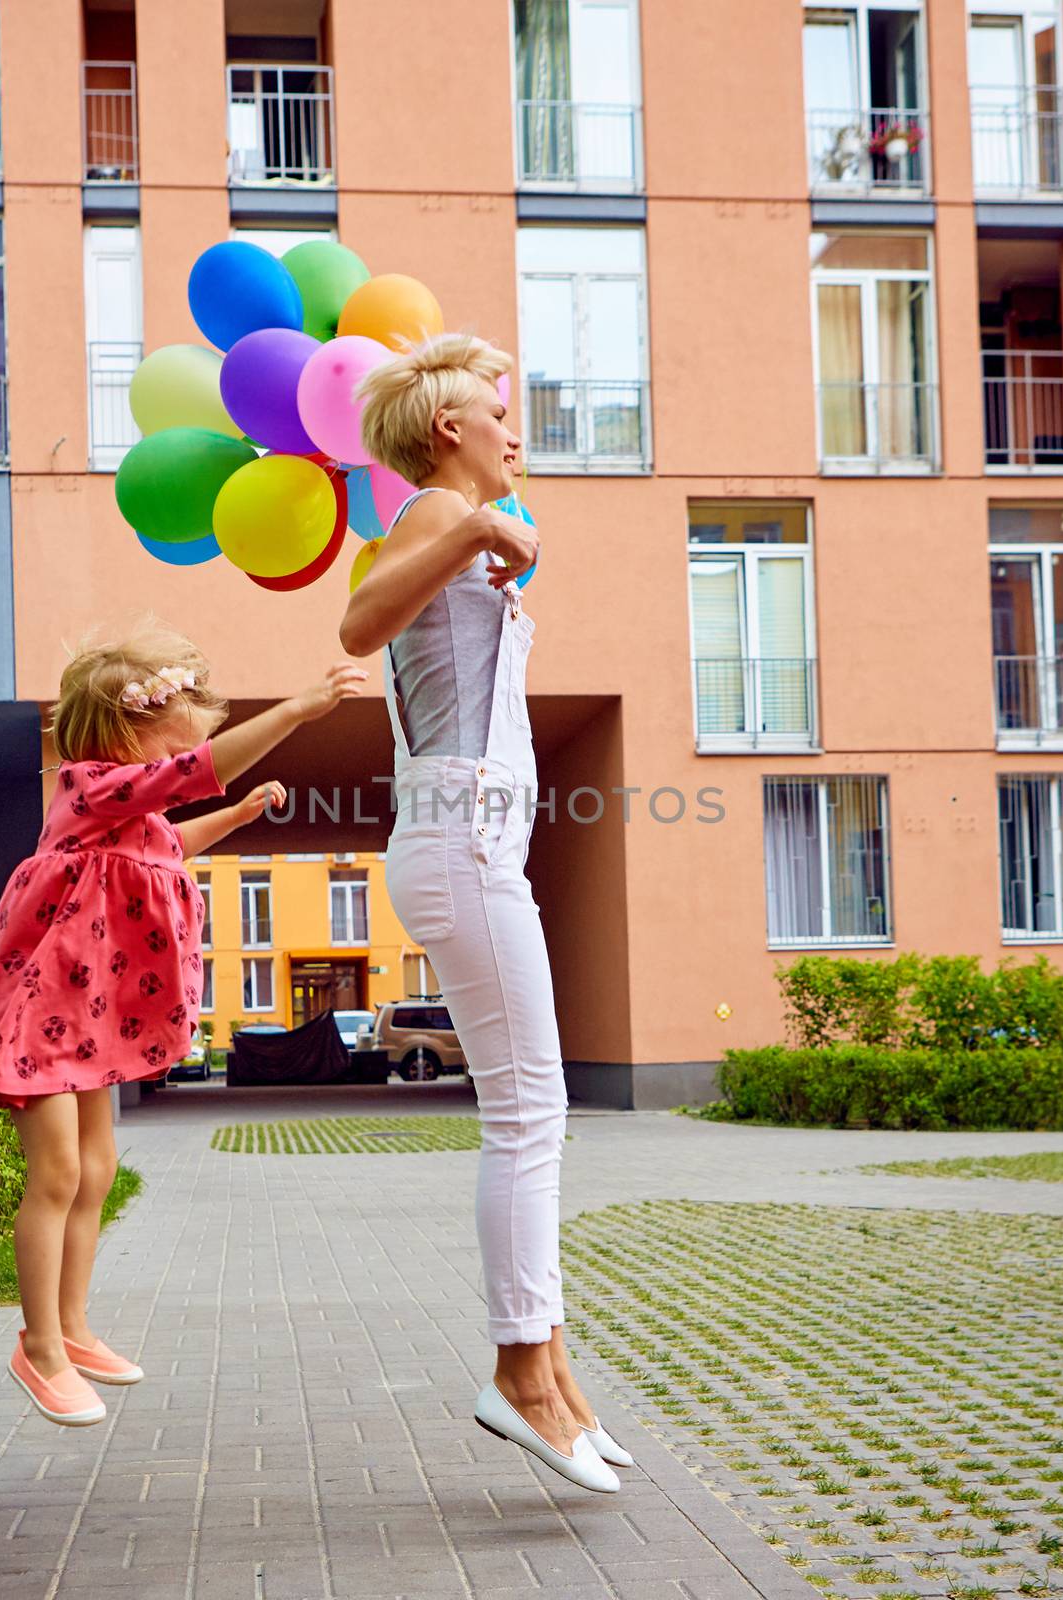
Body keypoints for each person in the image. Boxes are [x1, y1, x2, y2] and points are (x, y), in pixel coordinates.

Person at [339, 334, 631, 1494]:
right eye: (497, 416)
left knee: (536, 1114)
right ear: (448, 432)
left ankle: (555, 1375)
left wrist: (493, 536)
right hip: (459, 834)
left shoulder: (461, 523)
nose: (517, 432)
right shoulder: (424, 515)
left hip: (477, 835)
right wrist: (470, 527)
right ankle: (518, 1371)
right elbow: (357, 629)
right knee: (526, 1113)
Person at [0, 620, 365, 1426]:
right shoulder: (87, 787)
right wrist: (297, 710)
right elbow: (193, 776)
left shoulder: (128, 812)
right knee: (56, 1176)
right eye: (172, 744)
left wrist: (241, 815)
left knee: (98, 1170)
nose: (182, 759)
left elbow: (168, 843)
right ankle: (37, 1346)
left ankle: (73, 1329)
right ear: (127, 734)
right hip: (42, 1008)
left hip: (85, 1011)